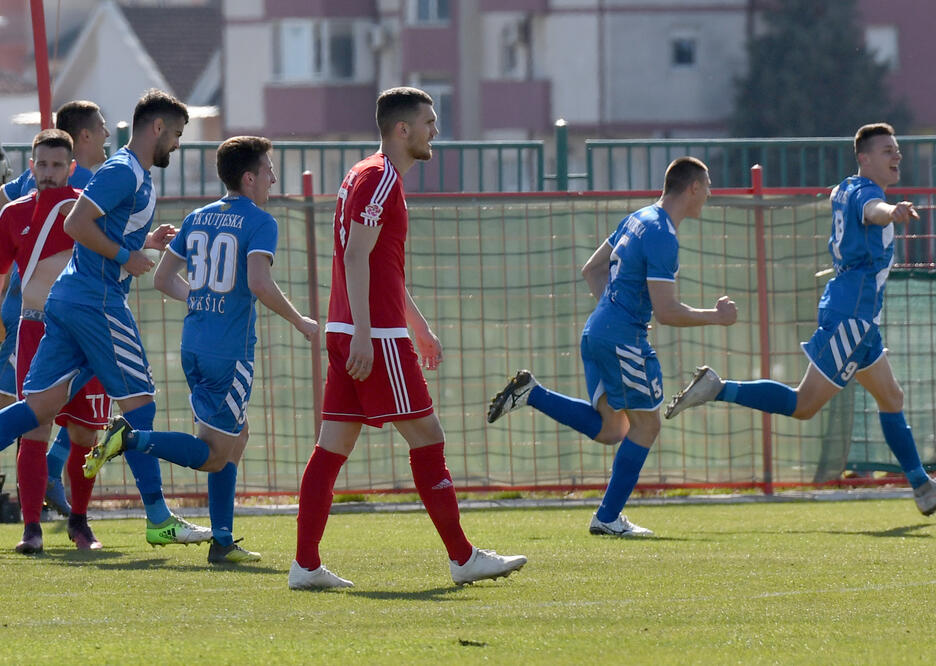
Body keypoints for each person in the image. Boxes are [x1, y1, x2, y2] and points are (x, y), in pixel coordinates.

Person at [664, 123, 936, 516]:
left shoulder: (844, 187)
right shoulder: (866, 193)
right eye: (886, 151)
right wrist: (891, 211)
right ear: (863, 159)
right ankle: (717, 388)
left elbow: (855, 209)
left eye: (897, 150)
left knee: (891, 398)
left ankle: (923, 487)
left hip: (857, 315)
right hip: (852, 317)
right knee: (803, 405)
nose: (897, 156)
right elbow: (872, 211)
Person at [290, 87, 527, 590]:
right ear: (403, 130)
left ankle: (305, 566)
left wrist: (417, 327)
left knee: (331, 447)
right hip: (371, 334)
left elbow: (381, 267)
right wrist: (363, 331)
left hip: (354, 328)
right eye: (429, 121)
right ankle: (463, 558)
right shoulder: (379, 178)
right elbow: (355, 256)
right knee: (429, 438)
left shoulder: (367, 174)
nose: (434, 130)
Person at [0, 89, 211, 552]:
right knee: (140, 404)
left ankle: (141, 517)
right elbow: (77, 225)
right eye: (175, 133)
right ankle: (158, 518)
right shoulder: (123, 171)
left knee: (38, 408)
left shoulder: (129, 173)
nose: (176, 143)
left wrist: (143, 242)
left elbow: (101, 225)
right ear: (156, 128)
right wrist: (126, 255)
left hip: (73, 299)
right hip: (97, 301)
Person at [488, 157, 738, 537]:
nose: (710, 193)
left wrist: (613, 311)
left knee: (611, 429)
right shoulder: (663, 235)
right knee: (647, 425)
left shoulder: (638, 218)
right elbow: (667, 312)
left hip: (598, 330)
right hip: (623, 338)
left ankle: (533, 394)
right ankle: (607, 518)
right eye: (707, 186)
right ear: (692, 188)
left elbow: (592, 269)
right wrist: (717, 317)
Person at [116, 135, 319, 565]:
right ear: (249, 178)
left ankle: (223, 539)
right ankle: (133, 438)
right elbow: (259, 284)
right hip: (229, 353)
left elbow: (162, 280)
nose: (273, 178)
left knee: (237, 435)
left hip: (194, 344)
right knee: (212, 456)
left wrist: (204, 299)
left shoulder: (198, 217)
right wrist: (300, 321)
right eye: (268, 170)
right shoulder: (261, 221)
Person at [0, 129, 111, 550]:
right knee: (34, 427)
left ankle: (79, 522)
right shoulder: (12, 214)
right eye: (41, 164)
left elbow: (113, 255)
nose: (48, 173)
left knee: (85, 434)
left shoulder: (85, 212)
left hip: (84, 333)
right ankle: (31, 528)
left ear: (71, 168)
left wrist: (149, 244)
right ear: (31, 166)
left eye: (57, 165)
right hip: (35, 329)